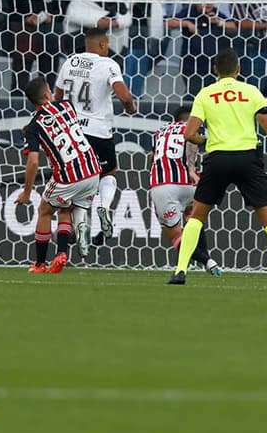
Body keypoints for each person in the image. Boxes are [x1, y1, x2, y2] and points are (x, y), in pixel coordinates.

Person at [168, 48, 267, 287]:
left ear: (215, 70)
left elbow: (189, 133)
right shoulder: (251, 92)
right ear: (238, 69)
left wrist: (206, 141)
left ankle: (180, 271)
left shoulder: (205, 94)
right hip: (248, 160)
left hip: (218, 159)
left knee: (197, 217)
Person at [54, 28, 136, 250]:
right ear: (102, 44)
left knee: (79, 184)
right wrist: (130, 107)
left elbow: (57, 99)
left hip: (71, 134)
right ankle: (104, 206)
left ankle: (81, 231)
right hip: (98, 132)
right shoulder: (108, 64)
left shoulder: (69, 62)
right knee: (108, 173)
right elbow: (124, 95)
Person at [14, 77, 101, 274]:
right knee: (65, 208)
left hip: (69, 175)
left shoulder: (33, 127)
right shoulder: (67, 105)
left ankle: (39, 264)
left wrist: (27, 193)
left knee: (45, 210)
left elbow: (34, 161)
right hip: (93, 169)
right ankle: (62, 253)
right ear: (47, 94)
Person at [149, 106, 221, 275]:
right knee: (195, 220)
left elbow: (153, 157)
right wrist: (190, 169)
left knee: (176, 237)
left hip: (163, 184)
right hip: (190, 185)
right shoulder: (194, 128)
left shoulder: (160, 131)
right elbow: (192, 145)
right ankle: (207, 258)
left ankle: (207, 261)